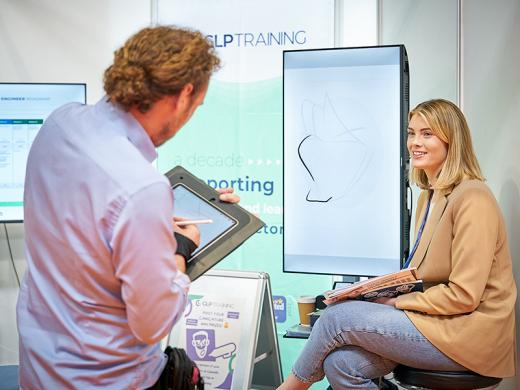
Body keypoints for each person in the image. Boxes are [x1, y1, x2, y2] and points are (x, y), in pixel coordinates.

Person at [17, 26, 238, 389]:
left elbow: (81, 217)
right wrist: (179, 250)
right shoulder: (141, 189)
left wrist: (152, 223)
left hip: (40, 368)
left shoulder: (61, 122)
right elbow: (153, 322)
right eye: (196, 107)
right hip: (106, 378)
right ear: (184, 96)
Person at [279, 99, 517, 389]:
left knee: (336, 318)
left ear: (452, 140)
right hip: (434, 323)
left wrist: (397, 302)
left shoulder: (473, 198)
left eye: (427, 134)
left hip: (469, 334)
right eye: (411, 133)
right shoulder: (428, 197)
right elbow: (424, 276)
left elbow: (464, 296)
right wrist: (376, 292)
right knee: (340, 364)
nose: (415, 142)